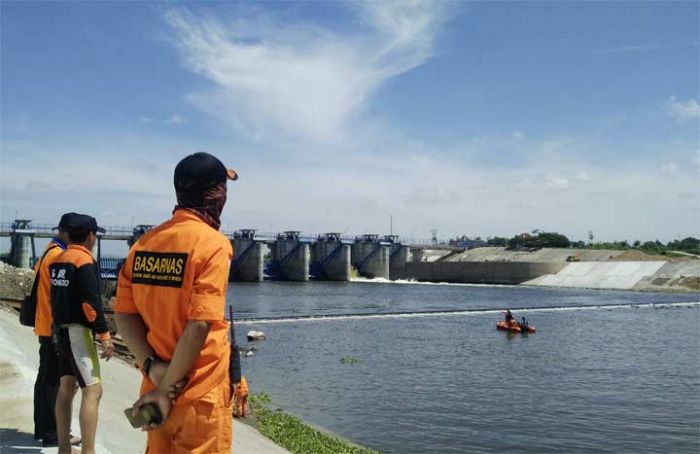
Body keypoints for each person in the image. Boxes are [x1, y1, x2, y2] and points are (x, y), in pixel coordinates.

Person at [115, 151, 238, 453]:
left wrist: (153, 369)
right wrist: (169, 386)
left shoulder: (144, 244)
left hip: (155, 390)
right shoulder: (212, 245)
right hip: (198, 395)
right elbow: (199, 325)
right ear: (216, 194)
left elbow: (123, 315)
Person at [50, 213, 114, 454]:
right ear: (90, 236)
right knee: (93, 391)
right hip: (79, 335)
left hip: (61, 331)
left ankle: (64, 448)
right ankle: (89, 451)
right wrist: (104, 335)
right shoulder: (84, 261)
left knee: (66, 386)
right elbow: (91, 304)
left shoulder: (59, 259)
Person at [31, 216, 81, 447]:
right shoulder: (57, 256)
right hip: (53, 326)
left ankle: (43, 428)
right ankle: (53, 434)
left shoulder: (48, 252)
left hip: (44, 323)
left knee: (45, 379)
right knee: (54, 381)